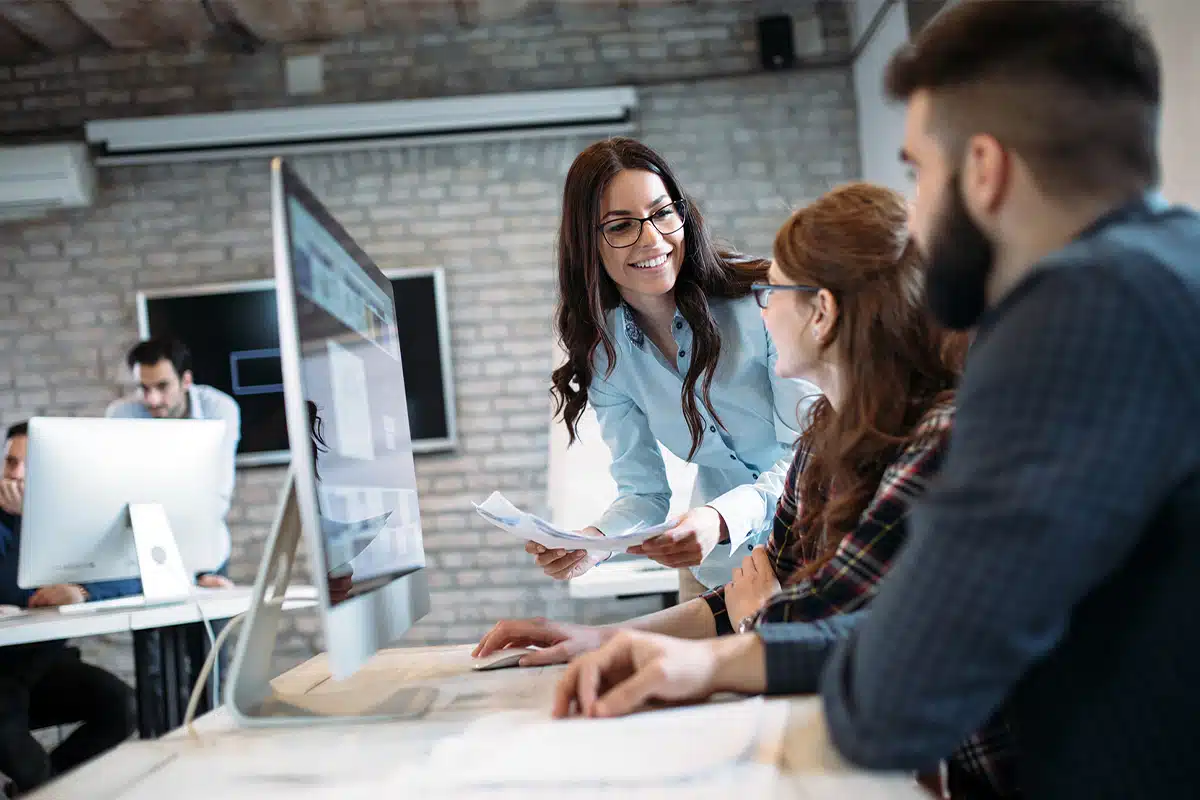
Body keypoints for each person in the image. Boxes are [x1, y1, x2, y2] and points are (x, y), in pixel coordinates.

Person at [552, 2, 1200, 797]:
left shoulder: (1073, 321)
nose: (914, 221)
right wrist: (714, 649)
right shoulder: (1169, 271)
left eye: (918, 172)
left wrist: (754, 627)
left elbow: (898, 691)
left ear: (986, 170)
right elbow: (917, 633)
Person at [482, 182, 1013, 797]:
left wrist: (757, 615)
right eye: (620, 225)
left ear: (822, 313)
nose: (760, 308)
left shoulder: (940, 442)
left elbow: (816, 620)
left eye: (772, 292)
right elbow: (766, 597)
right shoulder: (822, 442)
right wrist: (602, 638)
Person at [534, 137, 818, 599]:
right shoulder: (607, 354)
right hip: (720, 571)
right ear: (587, 243)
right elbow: (644, 493)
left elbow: (810, 457)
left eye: (663, 213)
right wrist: (595, 543)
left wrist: (721, 518)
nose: (652, 239)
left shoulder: (764, 301)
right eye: (621, 226)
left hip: (818, 548)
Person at [0, 422, 136, 793]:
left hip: (40, 667)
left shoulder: (70, 520)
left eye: (30, 467)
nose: (17, 475)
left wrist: (82, 591)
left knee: (122, 706)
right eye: (11, 463)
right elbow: (16, 589)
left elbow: (131, 578)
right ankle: (43, 786)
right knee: (25, 759)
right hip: (2, 673)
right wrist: (27, 522)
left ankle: (42, 784)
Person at [106, 336, 239, 587]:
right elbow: (118, 490)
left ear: (186, 380)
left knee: (215, 623)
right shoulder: (121, 415)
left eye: (162, 386)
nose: (152, 399)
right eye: (144, 388)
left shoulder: (219, 409)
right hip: (144, 550)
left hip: (204, 546)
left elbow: (217, 493)